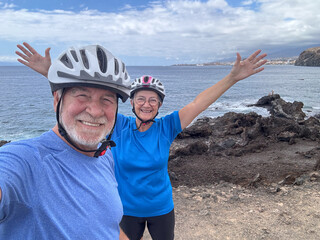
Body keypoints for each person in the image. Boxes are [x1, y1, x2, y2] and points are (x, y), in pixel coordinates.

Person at [15, 42, 267, 240]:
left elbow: (198, 104)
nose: (146, 104)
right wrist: (51, 73)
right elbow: (88, 100)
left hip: (161, 209)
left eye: (152, 100)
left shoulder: (167, 127)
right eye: (141, 99)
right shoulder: (118, 126)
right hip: (126, 210)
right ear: (132, 103)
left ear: (159, 105)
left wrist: (232, 77)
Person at [0, 44, 132, 239]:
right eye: (82, 95)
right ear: (57, 100)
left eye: (107, 99)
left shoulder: (103, 155)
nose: (95, 111)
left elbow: (107, 225)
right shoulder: (26, 159)